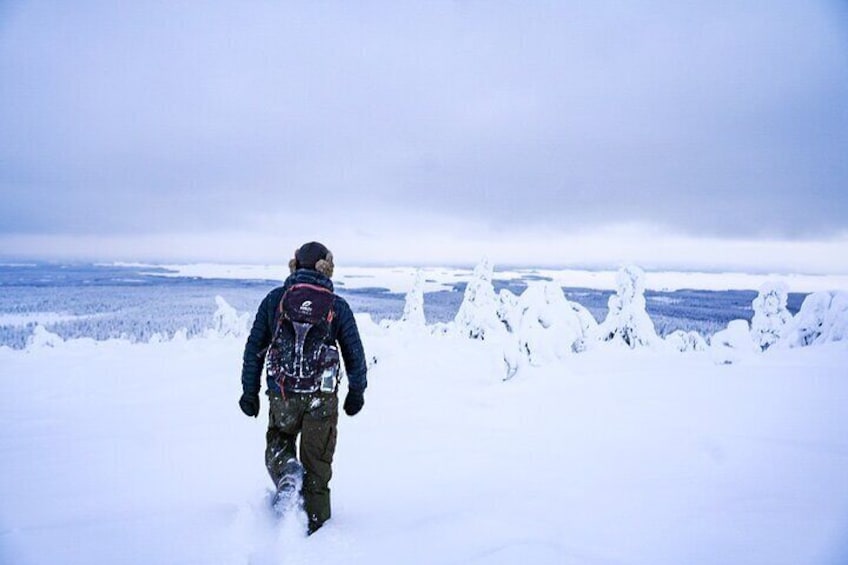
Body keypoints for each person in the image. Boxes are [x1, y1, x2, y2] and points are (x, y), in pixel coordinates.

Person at [239, 241, 367, 535]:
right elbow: (354, 354)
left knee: (279, 440)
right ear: (327, 268)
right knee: (317, 470)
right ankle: (317, 536)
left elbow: (254, 348)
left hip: (282, 395)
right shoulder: (337, 306)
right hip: (321, 401)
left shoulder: (276, 300)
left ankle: (287, 472)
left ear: (295, 266)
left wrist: (250, 392)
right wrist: (356, 392)